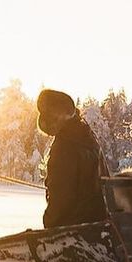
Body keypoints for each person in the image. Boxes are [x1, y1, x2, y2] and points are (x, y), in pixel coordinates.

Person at [36, 88, 107, 228]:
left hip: (73, 231)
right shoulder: (89, 139)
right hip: (98, 226)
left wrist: (49, 225)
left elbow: (60, 199)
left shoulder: (64, 147)